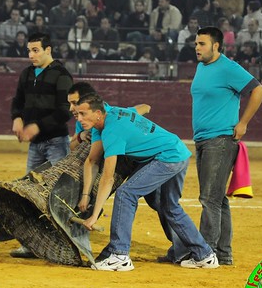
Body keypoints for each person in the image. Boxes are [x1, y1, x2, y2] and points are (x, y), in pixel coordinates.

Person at [75, 93, 218, 271]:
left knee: (126, 193)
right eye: (77, 114)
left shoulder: (112, 130)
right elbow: (92, 160)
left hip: (167, 157)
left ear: (97, 113)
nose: (79, 119)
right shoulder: (105, 118)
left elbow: (108, 178)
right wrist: (85, 195)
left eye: (83, 114)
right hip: (177, 151)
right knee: (169, 206)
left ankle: (119, 255)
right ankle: (205, 255)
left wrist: (94, 215)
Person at [189, 26, 262, 266]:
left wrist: (243, 122)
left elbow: (259, 90)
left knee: (209, 199)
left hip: (220, 140)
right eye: (196, 44)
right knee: (217, 198)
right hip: (203, 139)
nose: (197, 48)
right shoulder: (201, 67)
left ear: (216, 46)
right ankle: (222, 254)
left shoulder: (229, 67)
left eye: (202, 44)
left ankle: (206, 254)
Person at [10, 32, 73, 258]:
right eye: (29, 50)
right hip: (36, 145)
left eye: (35, 50)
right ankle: (31, 244)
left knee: (60, 194)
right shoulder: (27, 74)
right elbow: (17, 101)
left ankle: (64, 242)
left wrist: (37, 126)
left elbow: (65, 111)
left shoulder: (61, 75)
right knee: (31, 192)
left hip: (56, 142)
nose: (31, 55)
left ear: (48, 50)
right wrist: (17, 118)